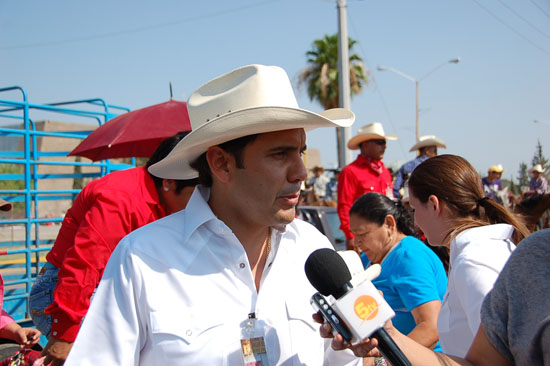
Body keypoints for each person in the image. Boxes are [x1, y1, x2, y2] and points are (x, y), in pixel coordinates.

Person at [65, 64, 361, 365]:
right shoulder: (142, 259)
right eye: (280, 154)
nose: (300, 172)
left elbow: (344, 361)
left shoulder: (312, 248)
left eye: (300, 153)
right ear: (221, 163)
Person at [29, 132, 198, 366]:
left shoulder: (163, 200)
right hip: (65, 295)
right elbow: (84, 264)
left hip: (104, 289)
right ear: (169, 182)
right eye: (195, 195)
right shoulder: (120, 200)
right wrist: (65, 333)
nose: (201, 204)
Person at [324, 229, 550, 366]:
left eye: (414, 208)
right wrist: (387, 335)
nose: (357, 242)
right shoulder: (535, 257)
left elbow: (431, 325)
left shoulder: (412, 256)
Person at [404, 154, 529, 357]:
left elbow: (506, 352)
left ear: (434, 205)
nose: (415, 221)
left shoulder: (473, 261)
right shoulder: (484, 250)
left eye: (413, 208)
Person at [349, 193, 447, 365]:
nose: (356, 242)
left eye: (362, 234)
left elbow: (432, 326)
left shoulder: (409, 258)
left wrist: (383, 362)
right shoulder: (368, 259)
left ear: (389, 224)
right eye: (354, 234)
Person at [338, 122, 396, 250]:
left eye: (384, 142)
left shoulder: (385, 172)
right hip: (362, 239)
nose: (384, 146)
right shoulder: (351, 172)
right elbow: (344, 206)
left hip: (386, 239)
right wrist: (351, 236)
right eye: (379, 142)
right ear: (365, 144)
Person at [393, 135, 446, 200]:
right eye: (435, 151)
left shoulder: (406, 166)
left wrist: (402, 200)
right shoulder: (434, 166)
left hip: (409, 202)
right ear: (427, 151)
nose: (436, 154)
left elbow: (396, 188)